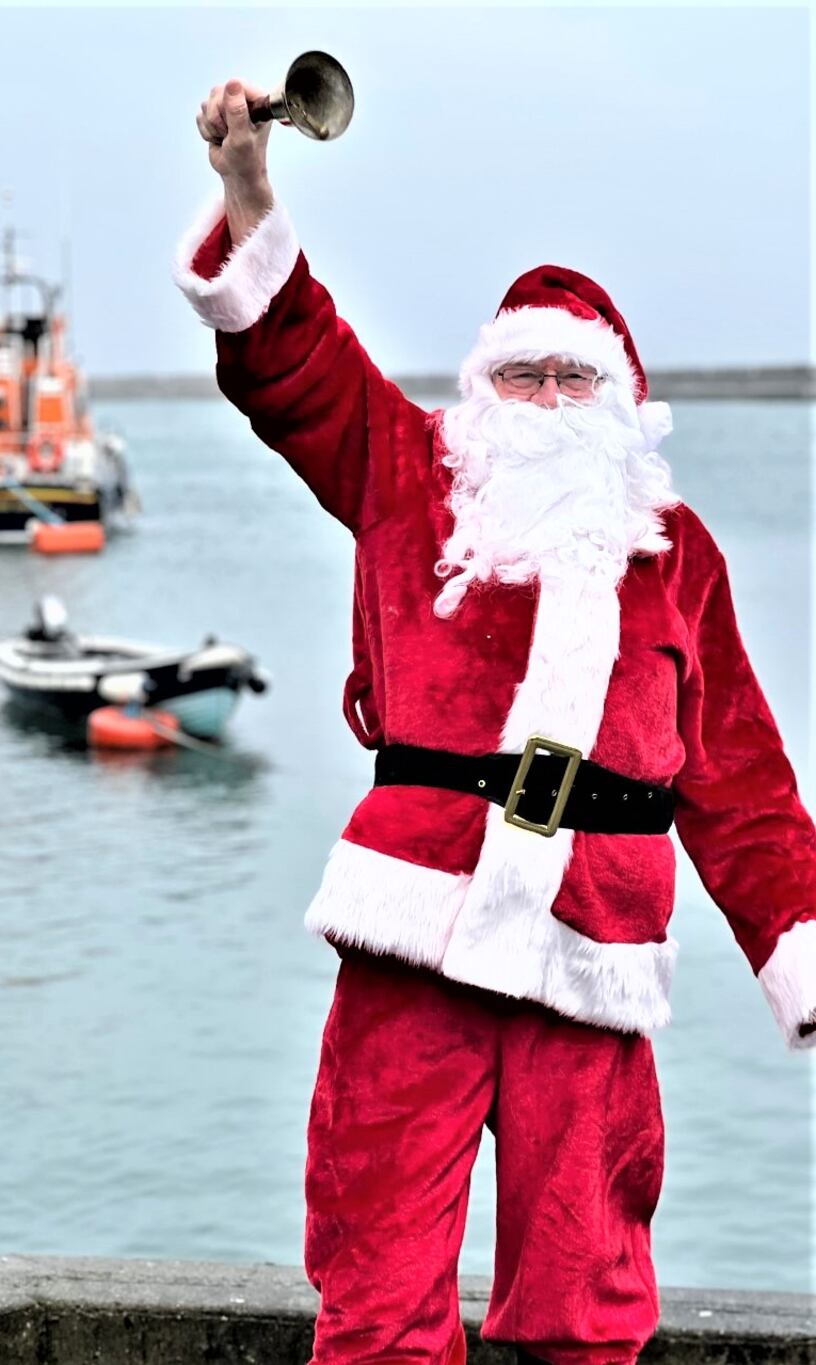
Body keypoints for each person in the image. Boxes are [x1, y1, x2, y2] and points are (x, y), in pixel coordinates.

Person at [174, 78, 816, 1365]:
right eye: (511, 371)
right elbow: (292, 359)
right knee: (376, 1272)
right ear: (478, 387)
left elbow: (740, 782)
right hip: (418, 924)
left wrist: (795, 945)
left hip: (595, 944)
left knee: (588, 1295)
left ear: (618, 402)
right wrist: (250, 190)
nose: (533, 396)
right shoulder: (409, 473)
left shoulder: (675, 553)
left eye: (564, 377)